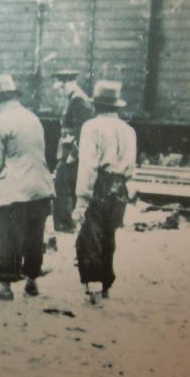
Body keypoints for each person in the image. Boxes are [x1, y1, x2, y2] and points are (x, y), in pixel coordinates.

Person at [0, 74, 54, 301]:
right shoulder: (32, 118)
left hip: (16, 188)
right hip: (41, 187)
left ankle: (5, 285)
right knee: (34, 236)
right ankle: (31, 282)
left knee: (7, 235)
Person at [72, 80, 136, 305]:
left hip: (98, 184)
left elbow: (88, 164)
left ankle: (94, 287)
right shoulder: (129, 131)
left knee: (91, 235)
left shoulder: (91, 127)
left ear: (96, 105)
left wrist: (82, 198)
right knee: (110, 235)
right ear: (116, 106)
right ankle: (107, 283)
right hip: (119, 188)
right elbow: (131, 168)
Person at [51, 70, 94, 232]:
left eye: (61, 88)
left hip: (70, 152)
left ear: (68, 84)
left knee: (62, 185)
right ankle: (66, 223)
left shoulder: (78, 100)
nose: (60, 92)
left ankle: (65, 224)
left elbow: (82, 131)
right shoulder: (75, 98)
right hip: (67, 150)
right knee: (65, 185)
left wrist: (73, 155)